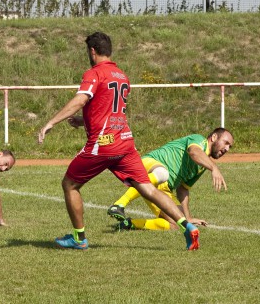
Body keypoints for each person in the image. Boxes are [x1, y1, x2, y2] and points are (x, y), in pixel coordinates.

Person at [38, 31, 200, 251]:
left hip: (103, 143)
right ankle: (187, 226)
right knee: (148, 189)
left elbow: (81, 99)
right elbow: (109, 111)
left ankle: (79, 238)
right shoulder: (121, 76)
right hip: (124, 142)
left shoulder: (94, 73)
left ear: (92, 51)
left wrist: (51, 122)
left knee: (70, 184)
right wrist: (84, 121)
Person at [107, 128, 234, 231]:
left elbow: (183, 189)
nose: (227, 149)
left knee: (178, 223)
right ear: (214, 137)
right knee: (162, 172)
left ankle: (128, 224)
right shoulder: (199, 140)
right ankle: (119, 204)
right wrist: (214, 168)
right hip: (150, 165)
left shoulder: (202, 166)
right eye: (226, 143)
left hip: (164, 186)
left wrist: (188, 217)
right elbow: (193, 152)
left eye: (230, 147)